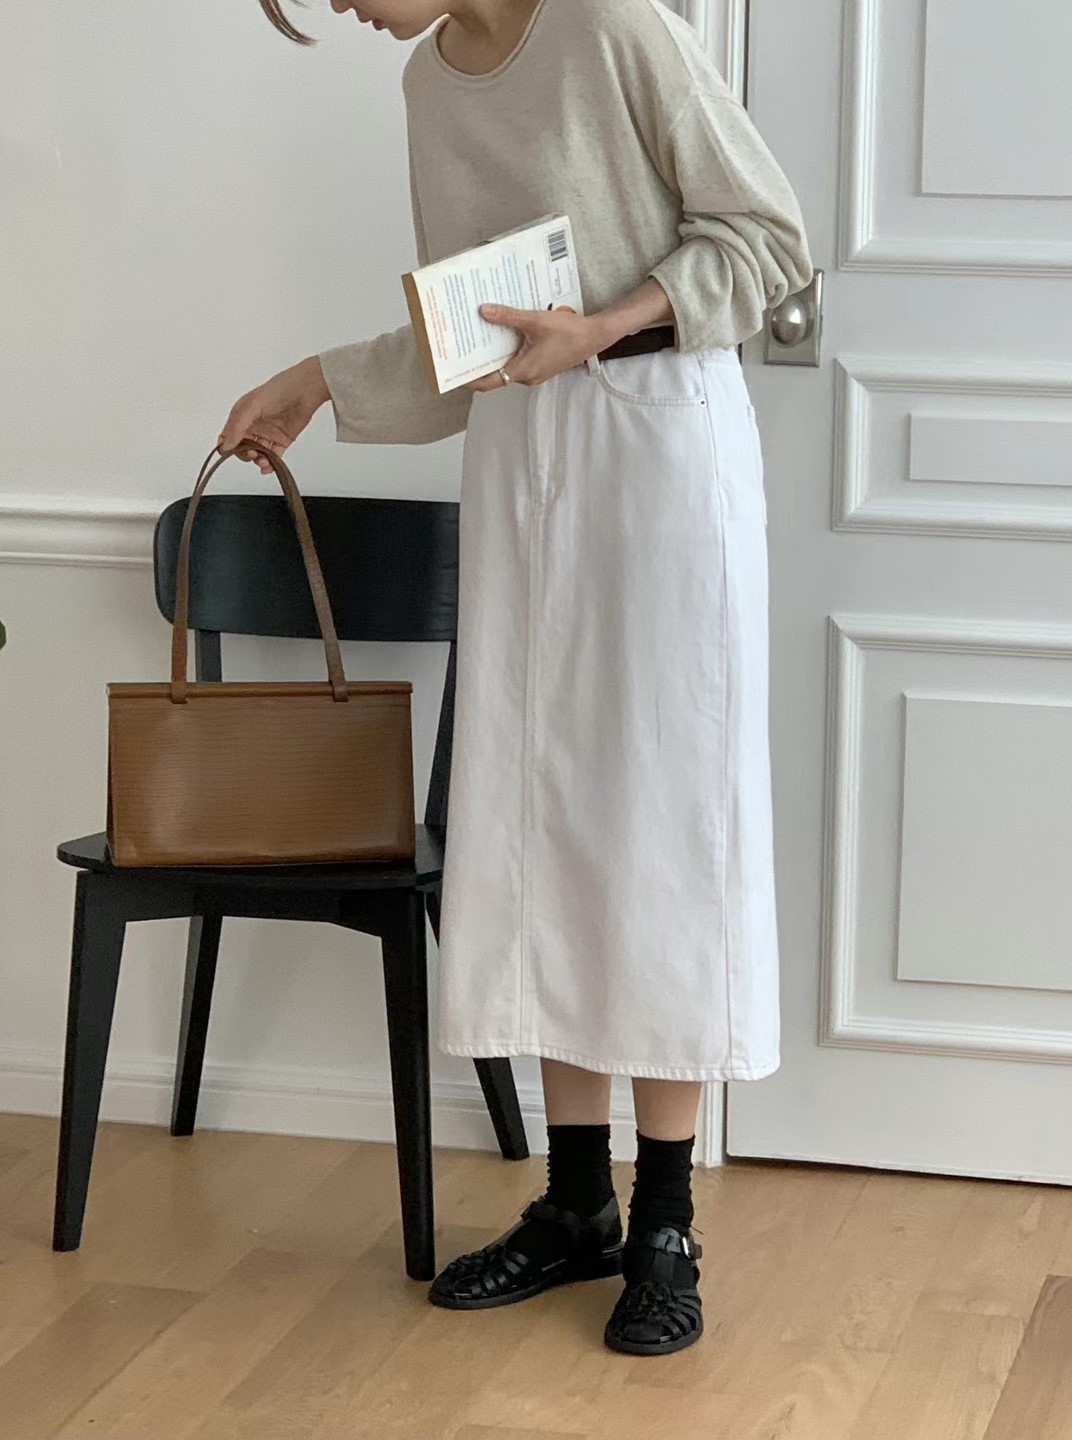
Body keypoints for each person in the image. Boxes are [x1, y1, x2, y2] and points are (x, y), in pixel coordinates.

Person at [219, 0, 812, 1358]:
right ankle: (575, 1201)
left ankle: (666, 1223)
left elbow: (767, 236)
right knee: (540, 819)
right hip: (521, 467)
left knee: (663, 823)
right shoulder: (431, 89)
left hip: (660, 452)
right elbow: (475, 336)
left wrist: (601, 327)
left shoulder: (613, 27)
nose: (346, 11)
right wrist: (320, 380)